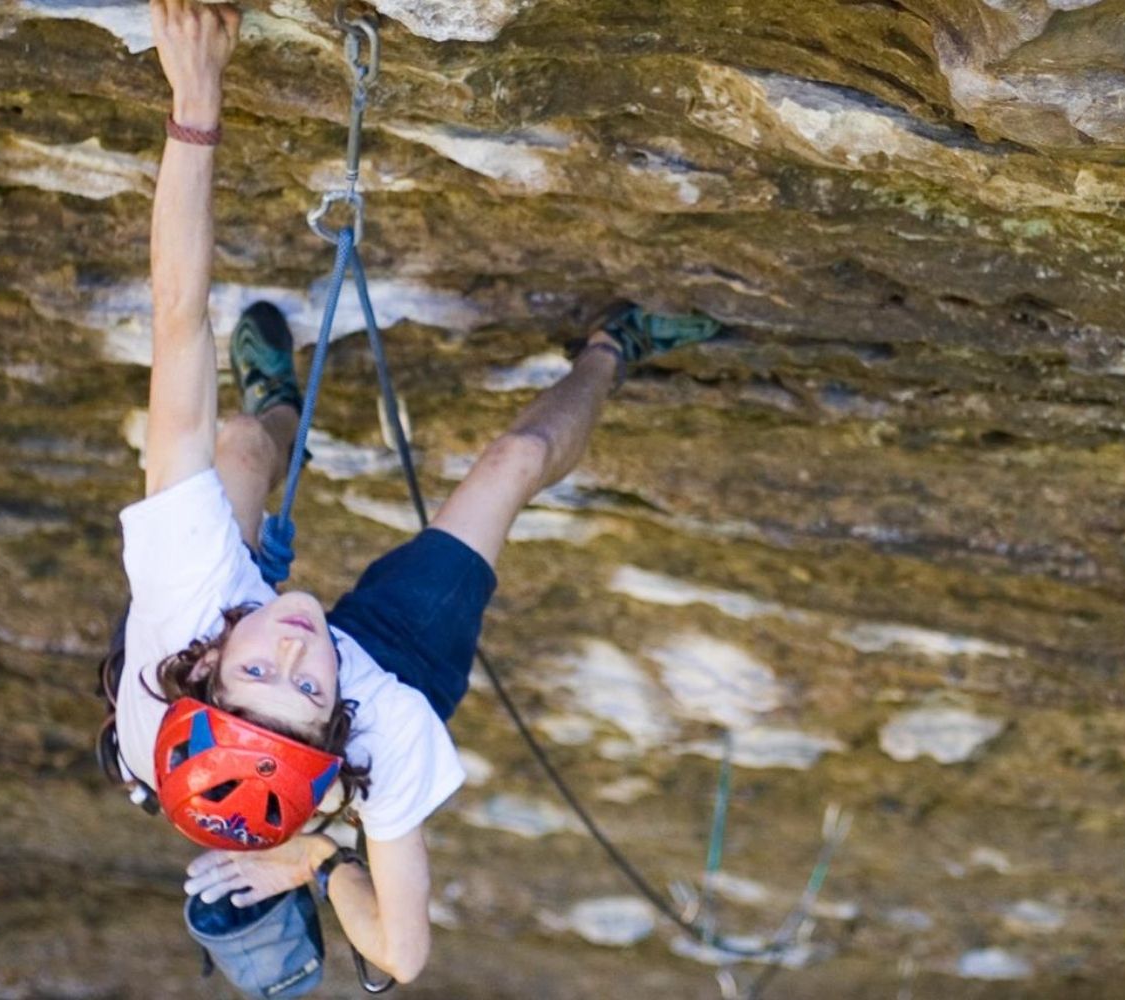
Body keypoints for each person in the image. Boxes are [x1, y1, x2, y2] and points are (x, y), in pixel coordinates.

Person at [109, 0, 722, 985]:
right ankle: (616, 346)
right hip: (387, 664)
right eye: (307, 691)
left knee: (235, 445)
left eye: (260, 671)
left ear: (208, 663)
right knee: (513, 463)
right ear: (335, 726)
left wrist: (196, 98)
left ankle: (277, 413)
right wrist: (318, 856)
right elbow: (401, 954)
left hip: (221, 598)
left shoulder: (184, 596)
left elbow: (176, 319)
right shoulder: (381, 734)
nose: (298, 652)